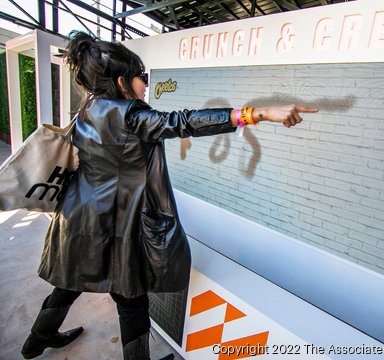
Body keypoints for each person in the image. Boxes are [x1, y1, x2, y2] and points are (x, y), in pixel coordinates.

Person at [20, 31, 317, 360]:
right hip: (117, 223)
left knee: (69, 281)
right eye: (142, 77)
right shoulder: (132, 116)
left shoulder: (86, 110)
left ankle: (36, 341)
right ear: (122, 81)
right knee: (132, 300)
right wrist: (256, 113)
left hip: (76, 218)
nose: (146, 84)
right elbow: (183, 122)